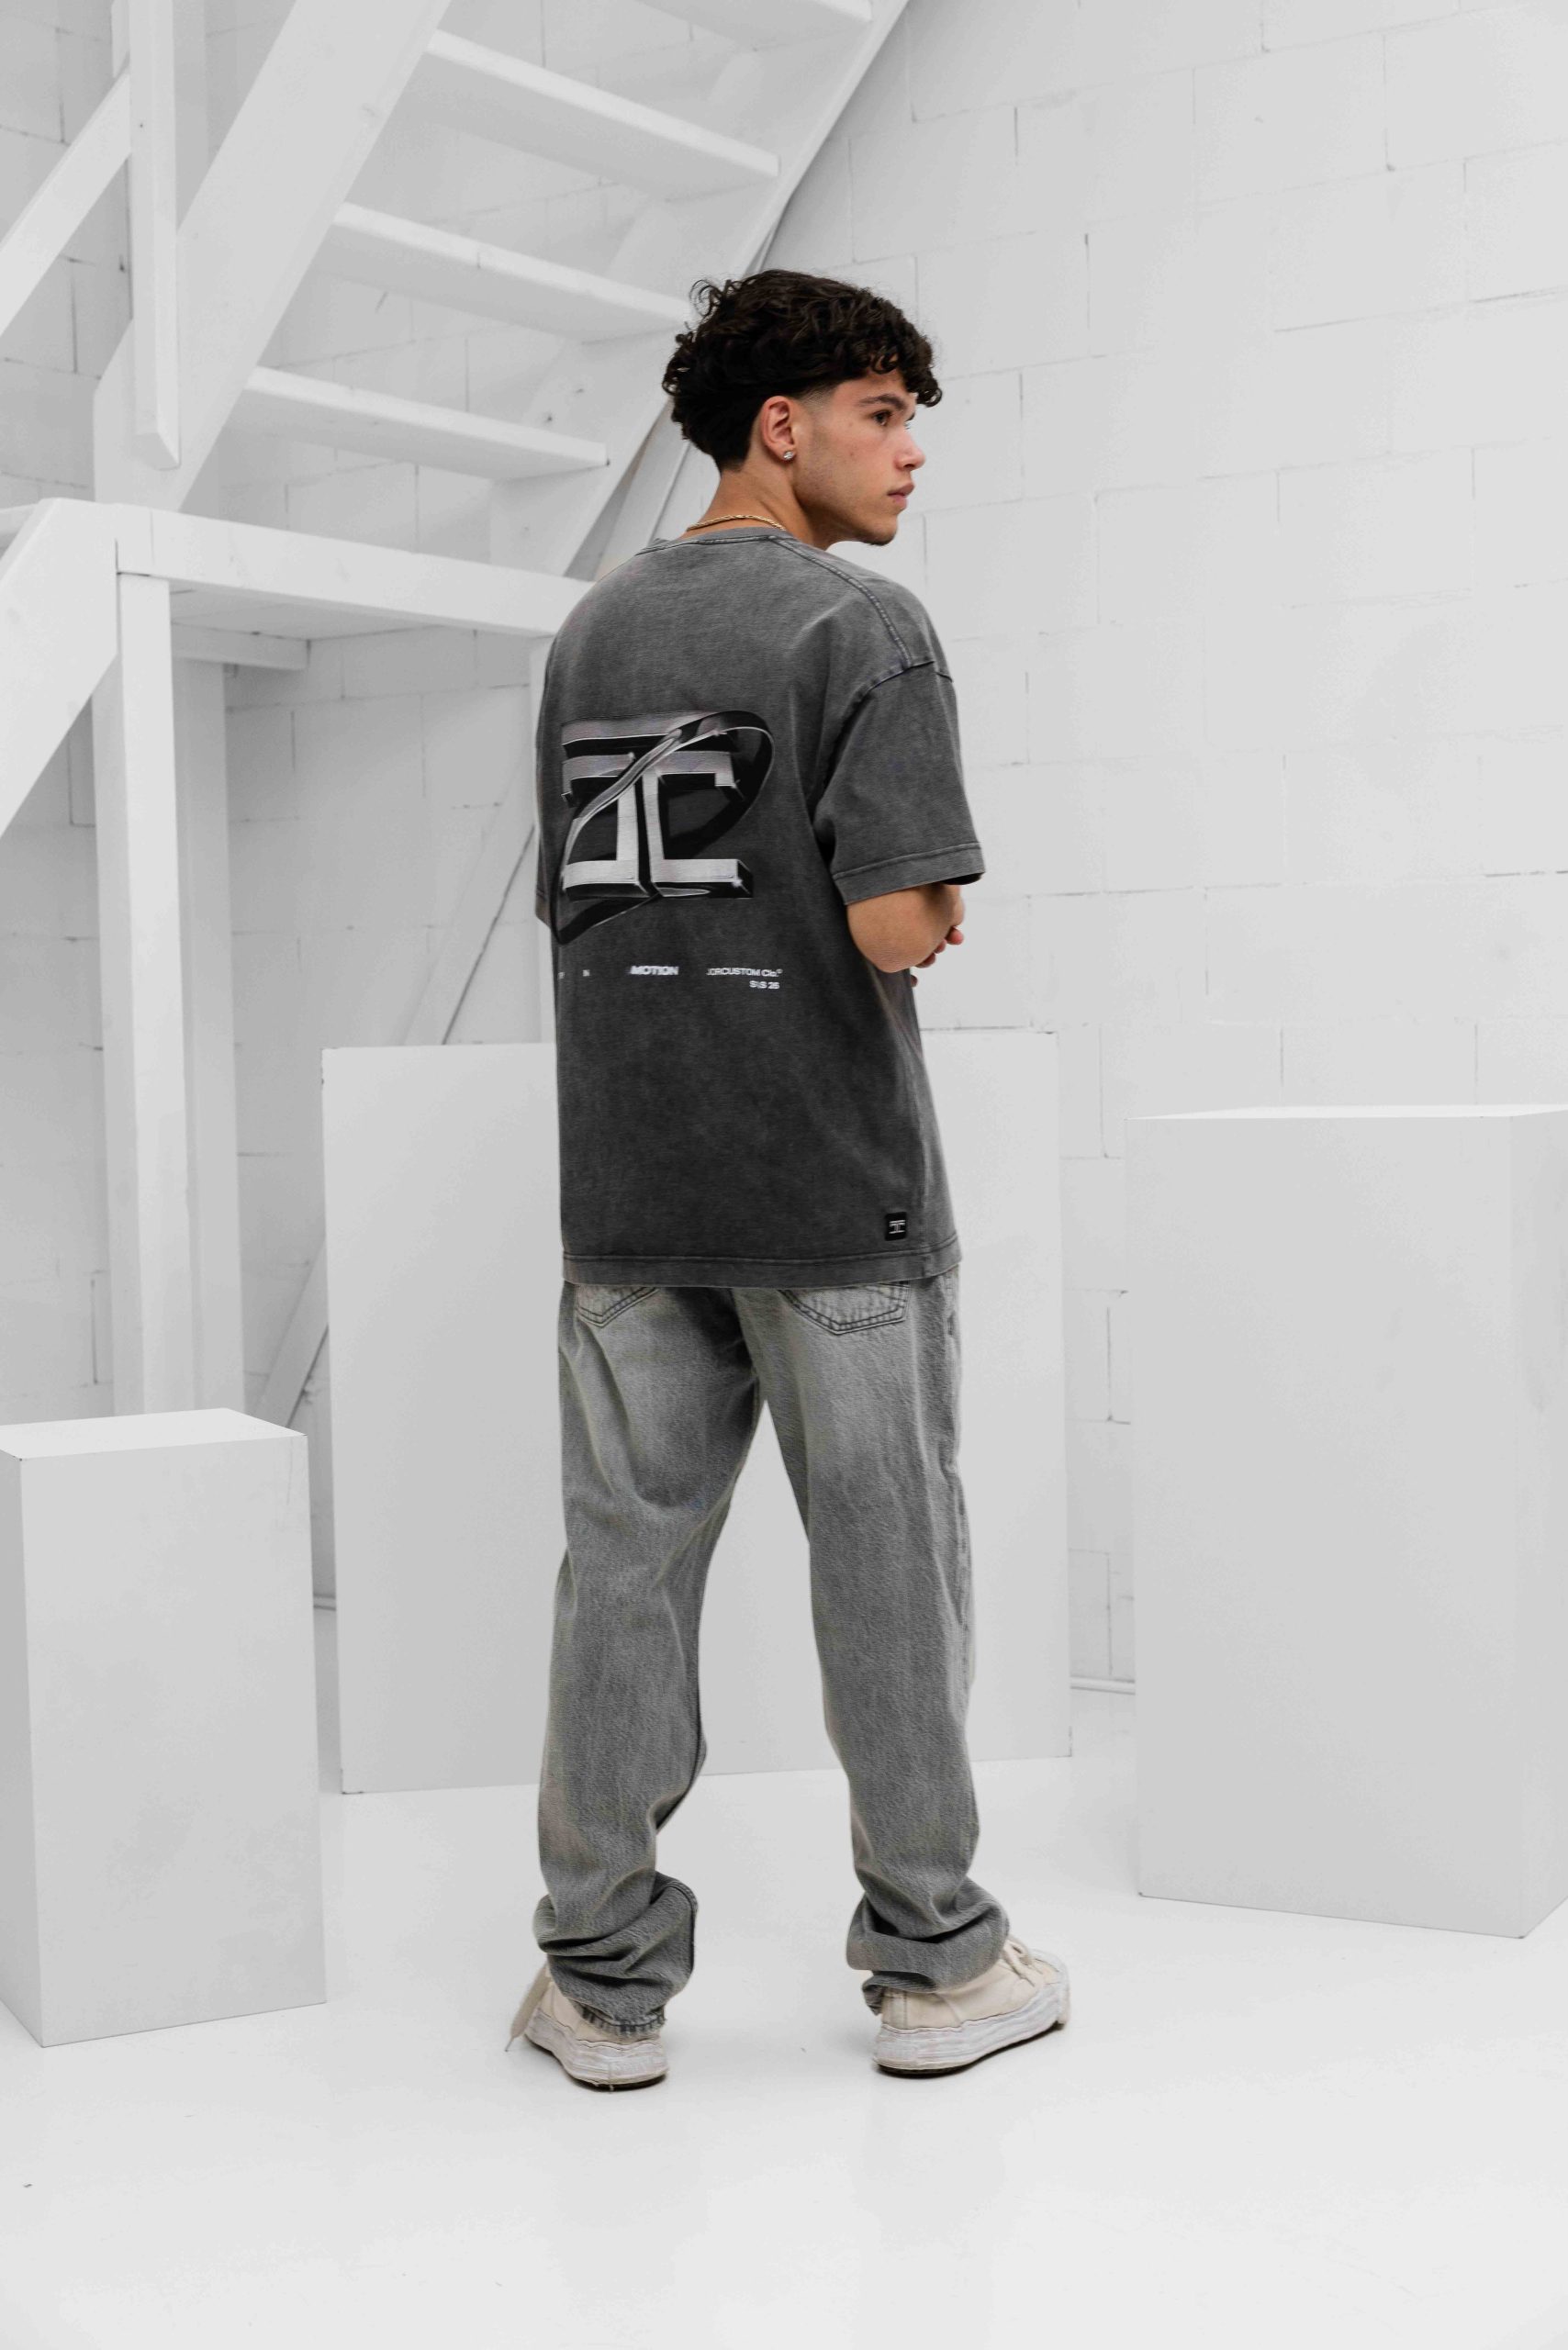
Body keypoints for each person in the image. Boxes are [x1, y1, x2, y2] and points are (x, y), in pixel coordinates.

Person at [505, 270, 1070, 2090]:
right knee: (888, 1571)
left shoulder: (589, 636)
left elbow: (582, 906)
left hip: (629, 1189)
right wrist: (935, 900)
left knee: (622, 1575)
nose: (910, 453)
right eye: (882, 413)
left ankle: (597, 1985)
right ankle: (936, 1963)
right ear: (783, 425)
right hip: (831, 1191)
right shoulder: (861, 626)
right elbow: (899, 922)